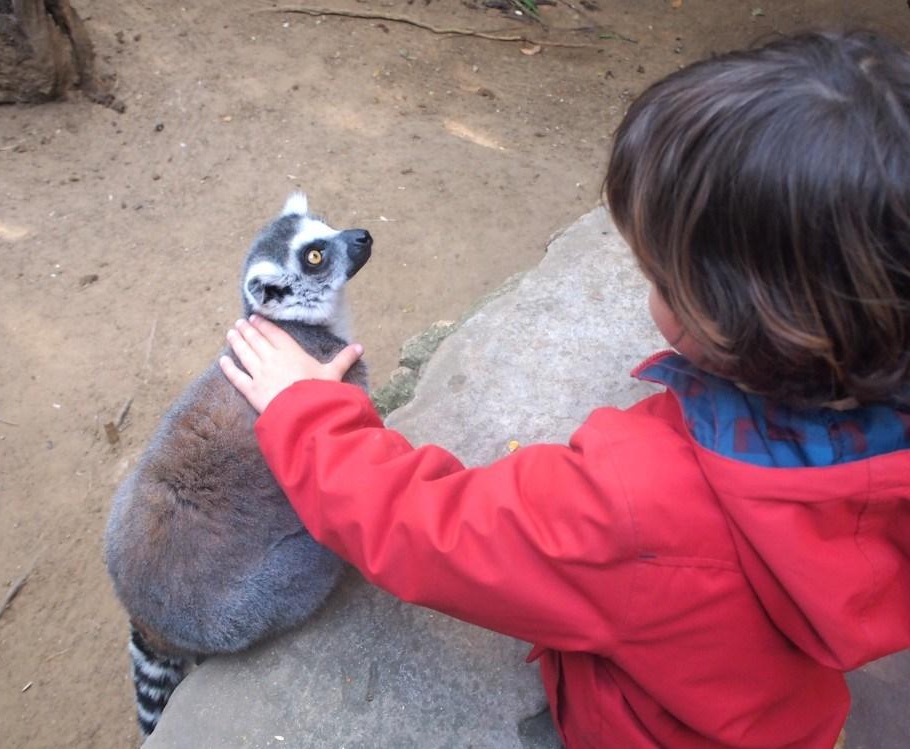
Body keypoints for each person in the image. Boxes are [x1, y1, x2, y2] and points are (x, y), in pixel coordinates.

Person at [219, 30, 910, 749]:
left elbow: (427, 528)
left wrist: (306, 414)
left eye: (659, 276)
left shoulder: (635, 508)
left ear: (724, 320)